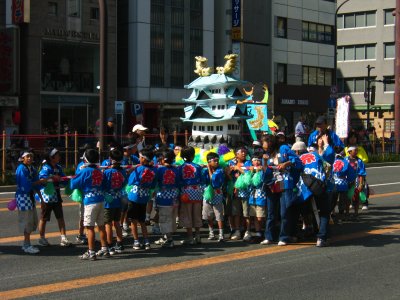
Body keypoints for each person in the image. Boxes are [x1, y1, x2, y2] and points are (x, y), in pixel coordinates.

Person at [70, 149, 110, 260]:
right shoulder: (99, 171)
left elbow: (73, 184)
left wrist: (78, 173)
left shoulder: (84, 171)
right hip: (101, 200)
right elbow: (105, 184)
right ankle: (104, 248)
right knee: (101, 226)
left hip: (89, 201)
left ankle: (91, 251)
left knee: (90, 227)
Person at [37, 149, 71, 247]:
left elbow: (63, 179)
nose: (59, 157)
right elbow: (42, 179)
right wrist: (53, 178)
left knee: (60, 217)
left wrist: (66, 180)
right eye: (57, 155)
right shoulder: (46, 168)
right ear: (51, 157)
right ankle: (42, 238)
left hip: (56, 195)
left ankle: (63, 237)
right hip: (47, 196)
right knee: (44, 217)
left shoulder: (59, 167)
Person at [15, 151, 47, 254]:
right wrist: (40, 182)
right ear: (22, 158)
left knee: (32, 221)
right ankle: (26, 245)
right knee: (27, 221)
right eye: (27, 156)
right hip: (23, 197)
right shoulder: (21, 168)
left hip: (30, 196)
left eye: (31, 156)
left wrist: (42, 199)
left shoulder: (32, 168)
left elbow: (36, 184)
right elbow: (28, 184)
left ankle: (27, 243)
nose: (29, 158)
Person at [126, 147, 157, 250]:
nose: (139, 159)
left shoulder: (138, 169)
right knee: (142, 221)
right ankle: (146, 241)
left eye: (140, 157)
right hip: (144, 196)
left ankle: (136, 241)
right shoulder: (153, 170)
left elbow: (130, 182)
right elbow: (153, 185)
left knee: (133, 221)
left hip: (134, 196)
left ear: (143, 158)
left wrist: (130, 172)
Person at [154, 149, 180, 248]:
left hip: (163, 197)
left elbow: (156, 182)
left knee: (164, 219)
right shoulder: (176, 170)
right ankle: (167, 237)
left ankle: (169, 239)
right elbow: (178, 183)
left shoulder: (159, 170)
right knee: (172, 218)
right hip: (174, 196)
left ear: (162, 159)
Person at [178, 146, 204, 245]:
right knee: (197, 214)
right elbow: (202, 180)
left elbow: (179, 181)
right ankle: (198, 235)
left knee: (187, 214)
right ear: (193, 156)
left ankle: (190, 237)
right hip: (197, 192)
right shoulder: (198, 167)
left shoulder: (180, 167)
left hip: (186, 192)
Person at [102, 148, 126, 255]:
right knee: (117, 222)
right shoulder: (123, 171)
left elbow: (102, 185)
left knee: (108, 223)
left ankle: (110, 244)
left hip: (109, 200)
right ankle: (120, 243)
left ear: (111, 159)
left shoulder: (107, 172)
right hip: (118, 199)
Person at [228, 147, 252, 241]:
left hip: (246, 191)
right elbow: (229, 176)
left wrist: (239, 169)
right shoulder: (231, 162)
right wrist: (228, 171)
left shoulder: (248, 162)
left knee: (246, 213)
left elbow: (248, 175)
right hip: (235, 191)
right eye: (241, 152)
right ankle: (237, 231)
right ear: (236, 154)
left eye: (245, 152)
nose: (243, 153)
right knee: (236, 212)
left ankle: (248, 231)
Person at [202, 152, 225, 242]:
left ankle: (221, 234)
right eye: (214, 160)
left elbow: (213, 179)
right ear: (209, 161)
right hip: (207, 194)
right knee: (208, 215)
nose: (217, 162)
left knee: (218, 215)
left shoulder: (220, 170)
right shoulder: (205, 170)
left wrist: (208, 168)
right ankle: (211, 232)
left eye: (217, 160)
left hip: (217, 193)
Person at [346, 146, 367, 220]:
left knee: (356, 198)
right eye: (355, 150)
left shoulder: (359, 161)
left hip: (356, 181)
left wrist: (361, 184)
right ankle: (347, 213)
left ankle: (356, 213)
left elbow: (362, 173)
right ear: (349, 152)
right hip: (347, 181)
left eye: (357, 150)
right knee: (347, 198)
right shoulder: (345, 160)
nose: (356, 151)